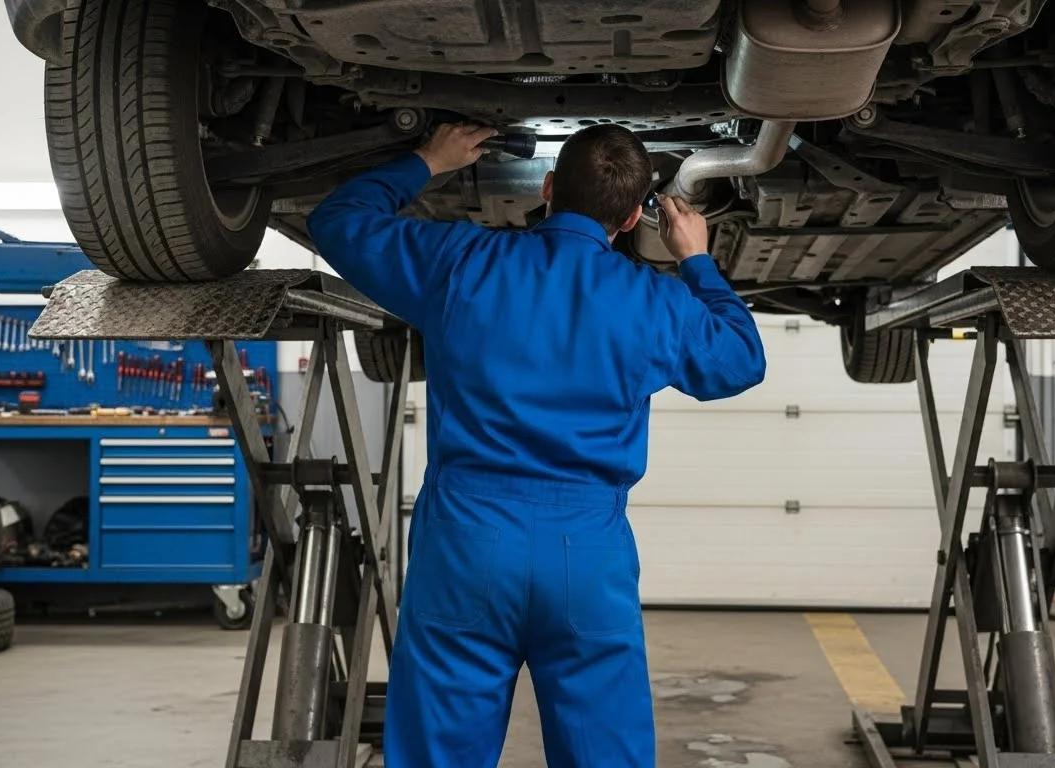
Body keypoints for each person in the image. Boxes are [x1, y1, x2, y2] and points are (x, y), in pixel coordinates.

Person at [306, 122, 767, 767]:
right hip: (587, 556)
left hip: (465, 544)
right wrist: (695, 258)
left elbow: (338, 222)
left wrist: (428, 161)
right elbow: (741, 359)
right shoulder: (655, 302)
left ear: (548, 189)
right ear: (637, 216)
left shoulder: (462, 261)